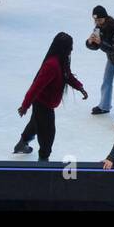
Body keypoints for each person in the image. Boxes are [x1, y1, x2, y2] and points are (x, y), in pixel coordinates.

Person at [14, 32, 87, 161]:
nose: (72, 49)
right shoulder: (51, 65)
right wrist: (25, 106)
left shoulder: (62, 59)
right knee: (47, 134)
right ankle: (43, 160)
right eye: (70, 46)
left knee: (36, 124)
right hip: (43, 104)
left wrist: (79, 87)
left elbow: (67, 75)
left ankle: (22, 143)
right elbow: (36, 87)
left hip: (48, 102)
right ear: (62, 48)